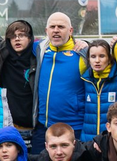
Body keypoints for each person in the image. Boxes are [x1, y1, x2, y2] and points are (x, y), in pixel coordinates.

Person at [30, 12, 86, 151]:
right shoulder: (40, 49)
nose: (56, 30)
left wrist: (87, 45)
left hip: (74, 128)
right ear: (46, 31)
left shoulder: (83, 53)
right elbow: (8, 42)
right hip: (44, 127)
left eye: (61, 27)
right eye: (52, 26)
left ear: (71, 30)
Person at [0, 20, 37, 145]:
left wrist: (80, 42)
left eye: (22, 35)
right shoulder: (2, 54)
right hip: (10, 126)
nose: (17, 39)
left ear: (30, 38)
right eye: (13, 36)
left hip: (34, 127)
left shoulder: (39, 57)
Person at [79, 40, 117, 142]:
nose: (97, 60)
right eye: (93, 57)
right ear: (88, 59)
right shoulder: (85, 79)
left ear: (109, 58)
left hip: (111, 139)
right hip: (88, 138)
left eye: (102, 56)